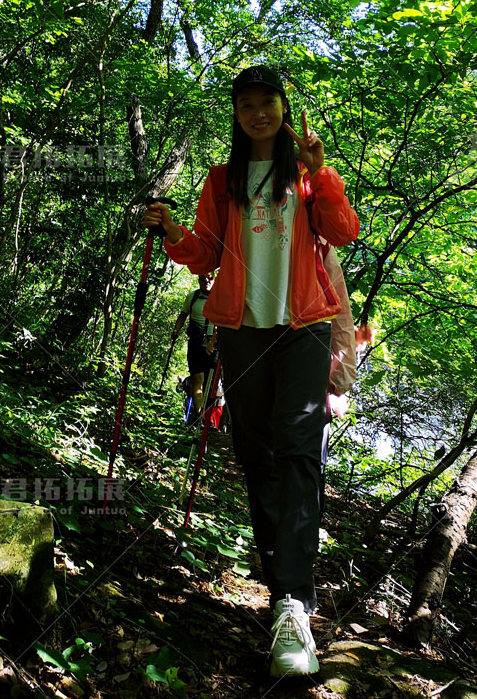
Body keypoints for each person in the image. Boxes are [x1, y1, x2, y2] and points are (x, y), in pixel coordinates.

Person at [143, 64, 360, 677]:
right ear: (236, 114)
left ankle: (293, 602)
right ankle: (284, 590)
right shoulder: (221, 179)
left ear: (284, 108)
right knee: (255, 455)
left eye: (268, 102)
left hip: (305, 328)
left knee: (297, 450)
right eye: (247, 105)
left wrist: (321, 173)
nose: (258, 113)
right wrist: (169, 231)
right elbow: (203, 255)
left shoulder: (308, 171)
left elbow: (344, 231)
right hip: (241, 331)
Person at [169, 273, 218, 423]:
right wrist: (176, 330)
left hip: (215, 346)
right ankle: (200, 417)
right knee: (198, 379)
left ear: (215, 278)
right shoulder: (193, 297)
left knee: (212, 384)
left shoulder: (221, 297)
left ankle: (210, 418)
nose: (206, 281)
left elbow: (224, 322)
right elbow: (183, 316)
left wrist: (215, 339)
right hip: (196, 344)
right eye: (202, 278)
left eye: (210, 278)